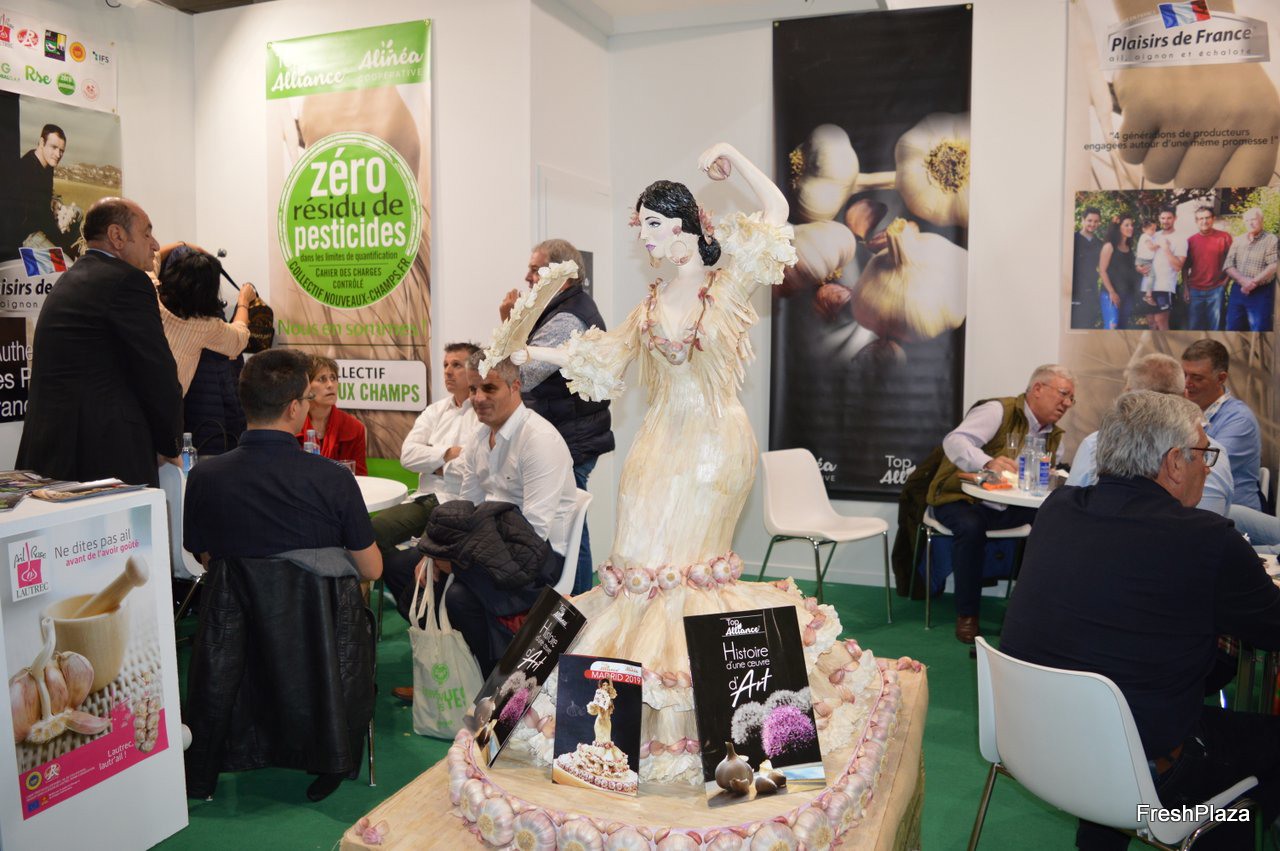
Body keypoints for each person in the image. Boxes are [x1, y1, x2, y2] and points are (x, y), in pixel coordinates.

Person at [1002, 390, 1280, 851]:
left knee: (1124, 686)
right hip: (1144, 766)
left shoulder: (1057, 508)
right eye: (1203, 454)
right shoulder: (1208, 540)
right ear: (1174, 463)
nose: (1207, 467)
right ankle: (1215, 824)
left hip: (1035, 745)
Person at [388, 352, 577, 679]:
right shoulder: (479, 436)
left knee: (458, 596)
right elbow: (465, 505)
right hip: (490, 544)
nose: (477, 398)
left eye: (489, 388)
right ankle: (453, 671)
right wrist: (436, 552)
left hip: (538, 555)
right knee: (401, 567)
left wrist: (458, 562)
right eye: (474, 389)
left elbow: (534, 533)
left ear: (515, 387)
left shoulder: (539, 440)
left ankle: (493, 680)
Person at [17, 197, 181, 487]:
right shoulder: (128, 281)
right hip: (104, 462)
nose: (155, 245)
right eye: (147, 234)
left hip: (53, 453)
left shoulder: (71, 278)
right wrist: (171, 444)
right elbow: (157, 372)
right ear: (117, 236)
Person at [183, 348, 382, 579]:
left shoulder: (202, 476)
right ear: (294, 408)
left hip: (233, 601)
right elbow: (372, 569)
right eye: (307, 398)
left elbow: (209, 561)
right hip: (313, 602)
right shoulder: (334, 478)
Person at [926, 364, 1076, 644]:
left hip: (1007, 504)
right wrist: (987, 462)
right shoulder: (998, 411)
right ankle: (967, 614)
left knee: (1054, 524)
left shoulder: (1056, 437)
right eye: (1063, 394)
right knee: (971, 527)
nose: (1067, 403)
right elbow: (955, 440)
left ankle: (1029, 610)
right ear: (1038, 389)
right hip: (961, 497)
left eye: (1071, 398)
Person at [500, 239, 613, 596]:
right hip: (567, 434)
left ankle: (575, 606)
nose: (527, 277)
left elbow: (522, 376)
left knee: (569, 527)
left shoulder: (566, 319)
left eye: (535, 269)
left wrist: (510, 323)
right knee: (570, 525)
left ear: (562, 276)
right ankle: (576, 604)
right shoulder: (557, 309)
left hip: (570, 439)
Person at [1067, 353, 1233, 516]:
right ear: (1184, 395)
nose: (1206, 469)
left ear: (1130, 396)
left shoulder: (1096, 443)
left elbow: (1074, 509)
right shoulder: (1216, 452)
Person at [371, 341, 479, 572]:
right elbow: (408, 456)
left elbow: (474, 469)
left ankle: (411, 581)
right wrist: (449, 453)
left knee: (415, 557)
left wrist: (432, 462)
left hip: (460, 504)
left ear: (475, 370)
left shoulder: (484, 411)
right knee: (372, 532)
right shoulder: (435, 410)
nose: (448, 371)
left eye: (456, 365)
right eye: (445, 365)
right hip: (426, 497)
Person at [154, 244, 253, 394]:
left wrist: (182, 244)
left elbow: (150, 260)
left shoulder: (149, 294)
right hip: (166, 401)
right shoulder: (205, 326)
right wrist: (244, 300)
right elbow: (239, 338)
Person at [1181, 339, 1262, 511]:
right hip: (1201, 509)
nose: (1187, 383)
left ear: (1221, 378)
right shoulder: (1183, 410)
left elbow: (1203, 466)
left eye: (1197, 377)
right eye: (1184, 374)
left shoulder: (1240, 419)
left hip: (1236, 513)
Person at [297, 355, 367, 475]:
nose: (330, 385)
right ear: (306, 387)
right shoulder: (291, 426)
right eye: (322, 379)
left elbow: (361, 478)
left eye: (333, 378)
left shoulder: (354, 428)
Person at [11, 124, 67, 251]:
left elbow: (44, 199)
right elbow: (35, 218)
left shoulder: (47, 166)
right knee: (63, 261)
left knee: (77, 212)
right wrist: (58, 225)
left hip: (39, 227)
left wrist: (54, 202)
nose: (58, 154)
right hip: (26, 237)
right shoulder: (26, 168)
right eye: (54, 147)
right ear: (42, 142)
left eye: (61, 150)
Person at [1223, 207, 1277, 333]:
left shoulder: (1271, 239)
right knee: (1232, 327)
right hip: (1238, 291)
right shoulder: (1238, 240)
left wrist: (1252, 283)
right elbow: (1228, 264)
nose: (1250, 223)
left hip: (1261, 292)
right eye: (1247, 220)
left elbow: (1274, 265)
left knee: (1259, 330)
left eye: (1253, 219)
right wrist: (1243, 281)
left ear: (1261, 220)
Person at [1182, 207, 1233, 332]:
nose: (1204, 221)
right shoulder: (1190, 241)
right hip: (1195, 290)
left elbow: (1233, 261)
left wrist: (1225, 283)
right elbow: (1185, 267)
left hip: (1216, 289)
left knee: (1215, 327)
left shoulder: (1224, 237)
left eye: (1207, 218)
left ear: (1213, 219)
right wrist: (1186, 288)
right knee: (1194, 327)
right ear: (1196, 221)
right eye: (1200, 218)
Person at [1096, 214, 1140, 330]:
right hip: (1110, 294)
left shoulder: (1129, 248)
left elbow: (1128, 270)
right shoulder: (1109, 246)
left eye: (1131, 225)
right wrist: (1112, 292)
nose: (1131, 228)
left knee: (1122, 328)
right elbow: (1102, 270)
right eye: (1127, 225)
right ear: (1118, 227)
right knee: (1112, 326)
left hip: (1127, 294)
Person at [1147, 206, 1186, 332]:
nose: (1165, 221)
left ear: (1175, 218)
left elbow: (1178, 266)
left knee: (1161, 323)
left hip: (1164, 287)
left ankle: (1166, 345)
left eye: (1169, 218)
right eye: (1163, 218)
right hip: (1149, 286)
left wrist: (1165, 248)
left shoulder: (1180, 238)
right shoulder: (1154, 235)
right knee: (1151, 323)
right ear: (1159, 218)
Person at [1071, 207, 1103, 329]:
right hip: (1074, 292)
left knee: (1088, 326)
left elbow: (1104, 267)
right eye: (1089, 220)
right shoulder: (1072, 240)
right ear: (1083, 220)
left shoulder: (1099, 244)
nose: (1093, 224)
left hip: (1091, 294)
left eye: (1096, 221)